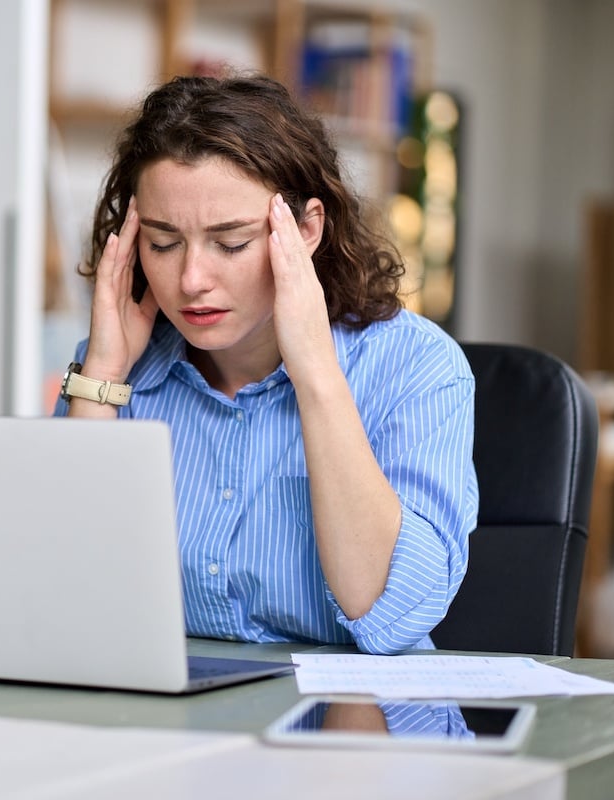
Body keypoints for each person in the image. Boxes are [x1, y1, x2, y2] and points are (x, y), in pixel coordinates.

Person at [53, 74, 478, 655]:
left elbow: (389, 615)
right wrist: (102, 372)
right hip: (172, 721)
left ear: (305, 229)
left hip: (356, 727)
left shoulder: (417, 367)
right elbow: (62, 594)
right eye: (162, 242)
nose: (192, 281)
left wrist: (316, 375)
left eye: (230, 243)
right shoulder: (112, 372)